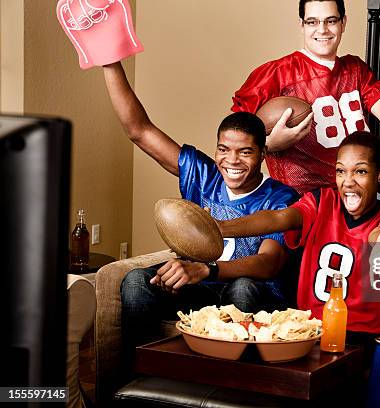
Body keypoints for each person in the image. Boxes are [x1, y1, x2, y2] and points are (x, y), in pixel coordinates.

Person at [101, 63, 299, 350]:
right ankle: (143, 379)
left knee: (243, 288)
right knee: (136, 281)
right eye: (223, 149)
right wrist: (110, 61)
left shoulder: (280, 197)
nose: (232, 161)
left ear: (263, 154)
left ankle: (229, 388)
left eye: (245, 152)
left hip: (252, 294)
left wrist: (209, 270)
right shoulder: (203, 175)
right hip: (200, 288)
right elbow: (139, 130)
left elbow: (268, 264)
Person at [231, 0, 380, 235]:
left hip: (360, 192)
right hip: (307, 199)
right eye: (313, 22)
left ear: (343, 22)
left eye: (330, 21)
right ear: (302, 25)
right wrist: (269, 145)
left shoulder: (355, 68)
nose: (322, 30)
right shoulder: (276, 73)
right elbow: (236, 135)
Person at [216, 132, 380, 353]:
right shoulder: (322, 202)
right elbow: (278, 218)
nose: (348, 182)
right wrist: (220, 228)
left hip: (361, 336)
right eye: (341, 171)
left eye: (360, 171)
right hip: (308, 329)